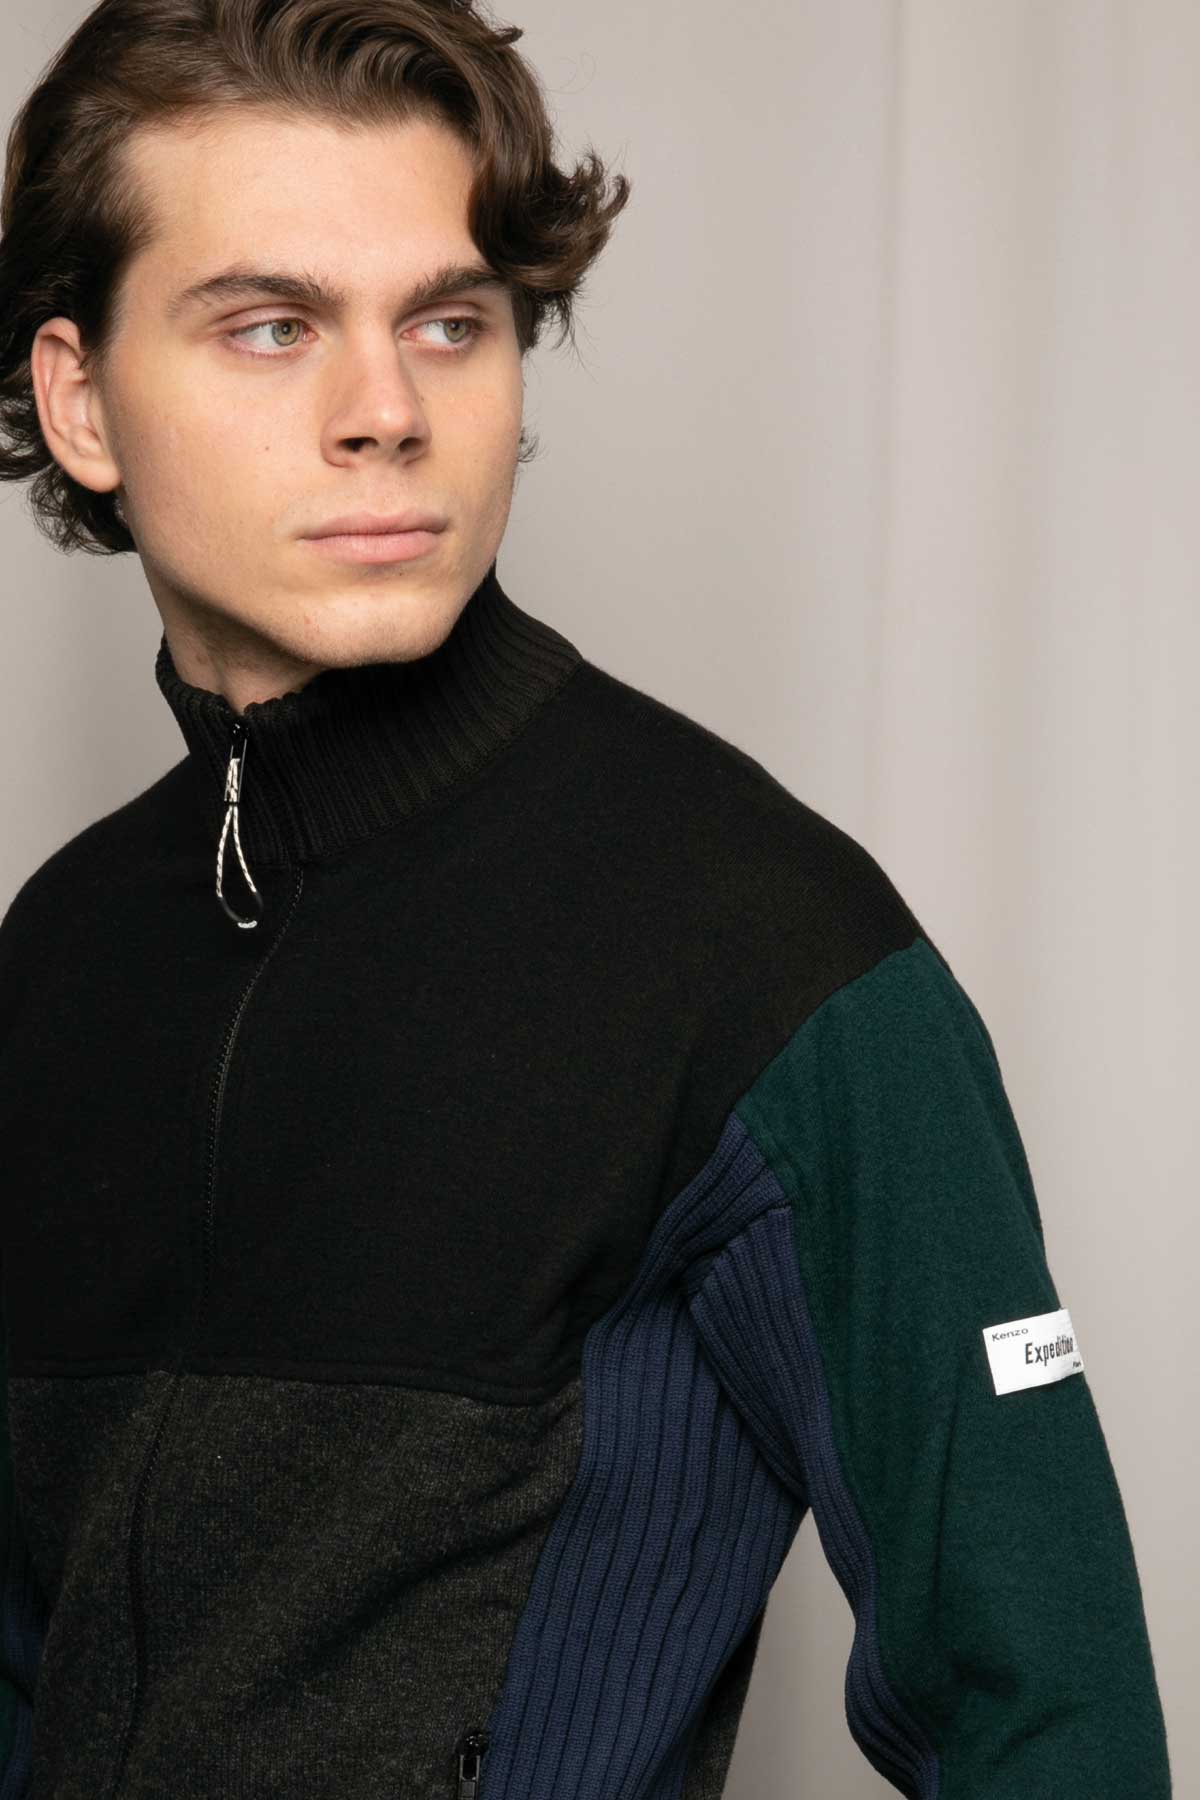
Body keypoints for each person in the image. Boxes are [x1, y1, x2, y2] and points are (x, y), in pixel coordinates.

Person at [0, 2, 1172, 1797]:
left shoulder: (770, 950)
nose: (386, 413)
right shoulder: (64, 952)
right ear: (81, 401)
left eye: (449, 323)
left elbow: (1050, 1718)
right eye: (271, 326)